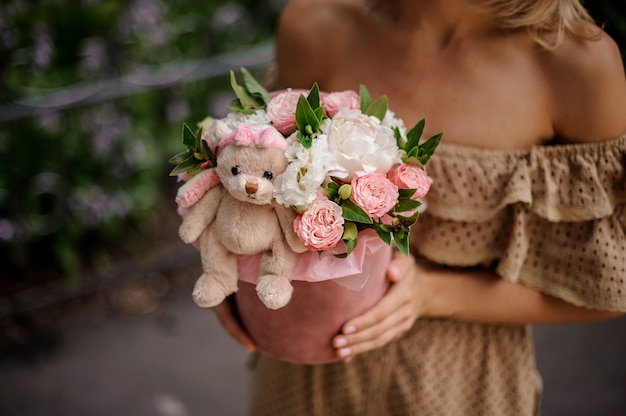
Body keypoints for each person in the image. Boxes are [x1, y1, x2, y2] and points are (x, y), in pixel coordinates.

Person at [210, 0, 626, 414]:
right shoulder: (316, 23)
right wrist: (224, 264)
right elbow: (258, 178)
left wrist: (433, 294)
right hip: (297, 374)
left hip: (460, 390)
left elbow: (610, 286)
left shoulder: (577, 65)